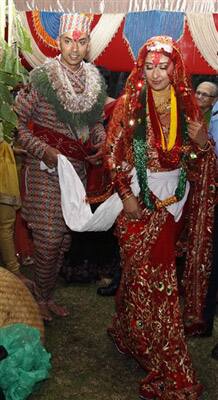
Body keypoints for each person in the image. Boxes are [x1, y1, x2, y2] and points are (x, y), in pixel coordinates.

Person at [104, 36, 216, 399]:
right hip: (136, 203)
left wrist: (201, 145)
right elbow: (111, 155)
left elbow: (196, 167)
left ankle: (163, 353)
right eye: (149, 66)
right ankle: (131, 331)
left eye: (162, 66)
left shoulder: (187, 109)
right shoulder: (127, 105)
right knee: (137, 275)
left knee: (161, 282)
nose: (155, 74)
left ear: (175, 68)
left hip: (172, 207)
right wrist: (126, 196)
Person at [15, 13, 107, 322]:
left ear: (87, 45)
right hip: (44, 170)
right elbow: (19, 128)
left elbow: (95, 124)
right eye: (68, 42)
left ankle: (46, 295)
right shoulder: (41, 76)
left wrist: (101, 145)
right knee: (49, 238)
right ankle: (40, 298)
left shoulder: (94, 78)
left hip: (76, 173)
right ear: (59, 42)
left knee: (65, 240)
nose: (74, 49)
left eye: (81, 42)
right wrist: (45, 151)